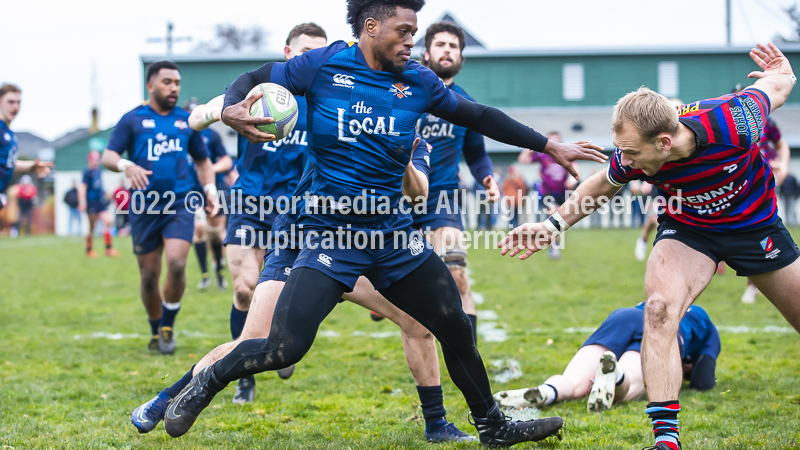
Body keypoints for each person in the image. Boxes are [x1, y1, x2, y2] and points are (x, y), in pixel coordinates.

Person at [162, 0, 606, 445]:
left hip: (392, 234)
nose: (413, 41)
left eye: (415, 31)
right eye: (404, 31)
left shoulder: (418, 81)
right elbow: (254, 77)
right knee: (286, 347)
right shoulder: (323, 64)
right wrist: (230, 108)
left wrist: (548, 145)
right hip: (329, 232)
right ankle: (208, 381)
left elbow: (479, 116)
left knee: (453, 324)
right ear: (370, 27)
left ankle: (492, 426)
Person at [500, 43, 798, 450]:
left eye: (631, 153)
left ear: (663, 142)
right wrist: (553, 225)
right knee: (658, 310)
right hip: (689, 229)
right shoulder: (635, 155)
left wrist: (781, 71)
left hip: (753, 226)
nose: (625, 161)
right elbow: (603, 182)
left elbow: (778, 87)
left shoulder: (732, 120)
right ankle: (666, 440)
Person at [186, 22, 327, 399]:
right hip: (250, 202)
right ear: (287, 53)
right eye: (304, 52)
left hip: (297, 212)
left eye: (318, 53)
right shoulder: (261, 93)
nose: (311, 60)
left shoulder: (326, 100)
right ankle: (242, 376)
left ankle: (279, 343)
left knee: (278, 292)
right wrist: (207, 115)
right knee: (245, 289)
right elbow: (205, 114)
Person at [101, 61, 216, 355]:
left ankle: (168, 325)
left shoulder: (187, 121)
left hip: (180, 203)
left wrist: (209, 189)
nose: (174, 88)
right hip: (144, 206)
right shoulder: (132, 119)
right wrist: (127, 165)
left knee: (177, 264)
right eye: (167, 82)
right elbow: (109, 155)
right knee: (149, 276)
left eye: (177, 82)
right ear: (151, 85)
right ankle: (155, 330)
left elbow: (203, 161)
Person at [406, 20, 500, 340]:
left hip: (442, 198)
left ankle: (468, 359)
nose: (447, 51)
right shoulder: (403, 92)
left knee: (456, 272)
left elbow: (476, 152)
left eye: (453, 46)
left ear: (460, 57)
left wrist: (487, 177)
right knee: (406, 285)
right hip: (397, 198)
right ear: (426, 52)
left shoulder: (465, 105)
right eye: (440, 45)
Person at [495, 303, 719, 412]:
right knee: (630, 386)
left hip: (625, 316)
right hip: (664, 333)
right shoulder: (708, 327)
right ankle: (617, 375)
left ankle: (546, 391)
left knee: (573, 382)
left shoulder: (669, 298)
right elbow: (704, 381)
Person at [736, 84, 791, 304]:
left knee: (770, 232)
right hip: (742, 189)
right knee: (749, 235)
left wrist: (783, 165)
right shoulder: (727, 127)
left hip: (765, 185)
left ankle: (761, 284)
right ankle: (754, 283)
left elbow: (781, 145)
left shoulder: (766, 122)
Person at [184, 99, 233, 291]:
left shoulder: (211, 136)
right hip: (191, 190)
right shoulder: (182, 136)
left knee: (216, 233)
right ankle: (205, 275)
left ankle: (219, 272)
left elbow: (227, 161)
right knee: (198, 228)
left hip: (214, 188)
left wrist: (209, 169)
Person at [518, 131, 577, 259]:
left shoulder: (566, 154)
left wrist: (572, 180)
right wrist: (533, 145)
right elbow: (523, 159)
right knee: (553, 214)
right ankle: (554, 246)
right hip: (548, 192)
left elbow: (575, 167)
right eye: (551, 141)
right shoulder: (542, 155)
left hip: (562, 192)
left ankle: (554, 242)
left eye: (557, 140)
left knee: (558, 221)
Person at [0, 83, 52, 212]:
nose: (15, 107)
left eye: (18, 102)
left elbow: (7, 164)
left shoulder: (8, 133)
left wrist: (31, 166)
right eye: (10, 102)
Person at [79, 150, 118, 257]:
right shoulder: (87, 173)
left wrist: (106, 194)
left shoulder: (99, 171)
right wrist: (82, 202)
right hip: (91, 202)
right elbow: (82, 187)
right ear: (90, 160)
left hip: (100, 203)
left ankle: (108, 249)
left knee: (108, 220)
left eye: (98, 158)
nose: (97, 161)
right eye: (95, 159)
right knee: (92, 227)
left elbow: (99, 187)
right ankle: (89, 249)